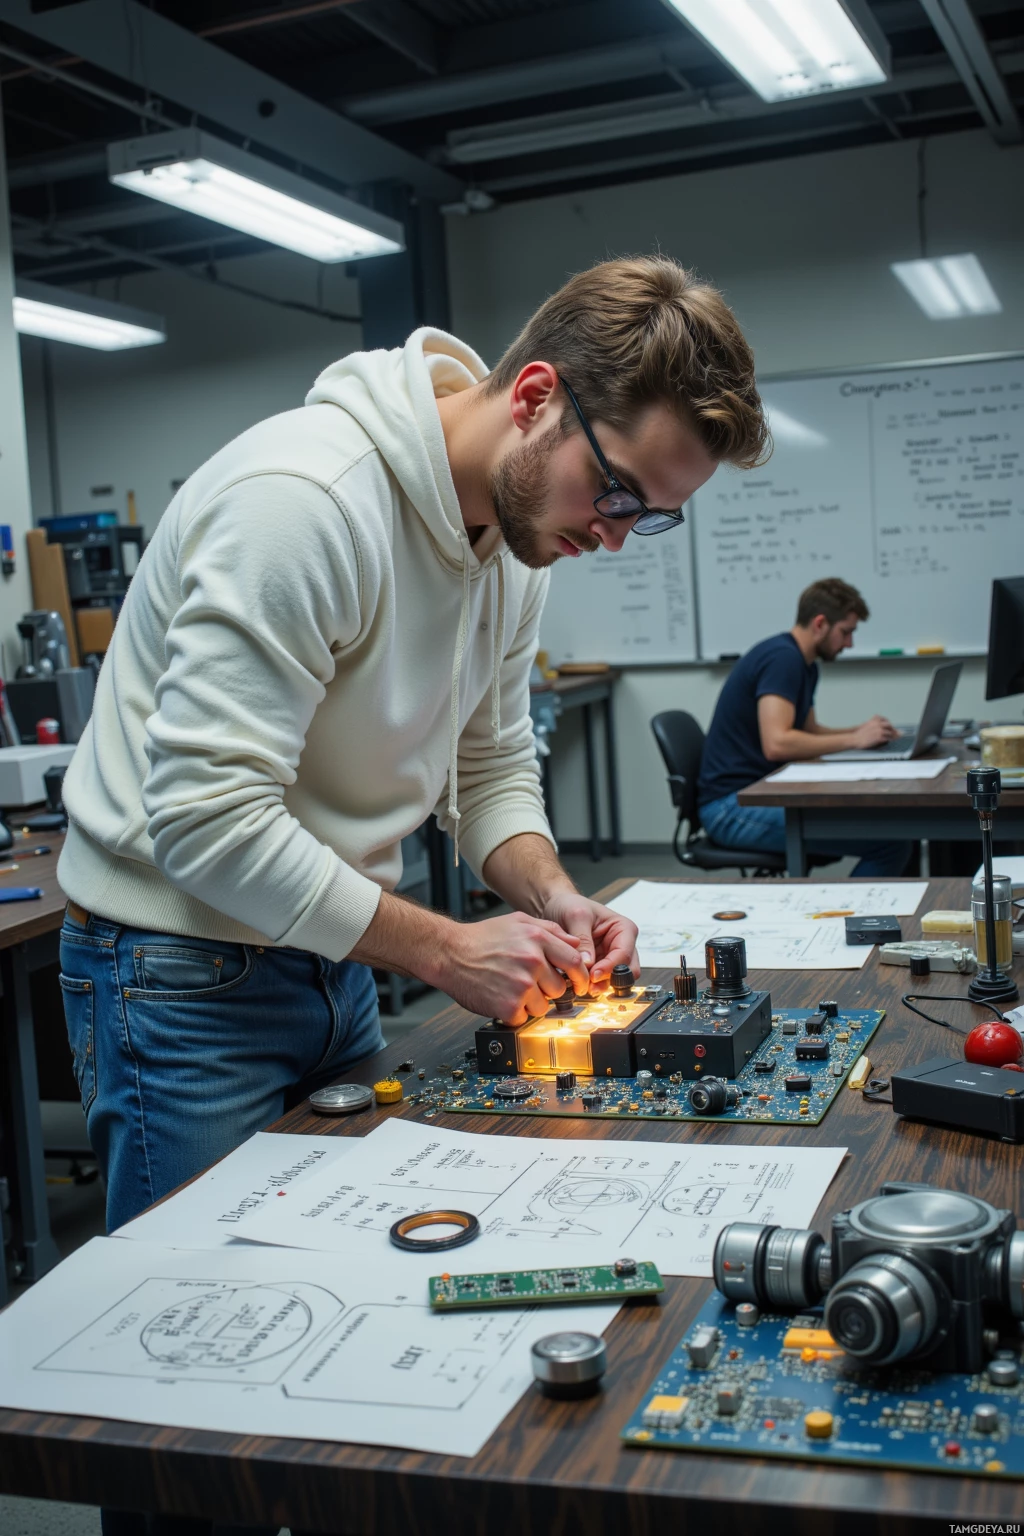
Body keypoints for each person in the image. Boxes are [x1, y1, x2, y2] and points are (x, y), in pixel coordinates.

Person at [57, 256, 773, 1240]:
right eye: (614, 494)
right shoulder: (304, 503)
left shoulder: (519, 546)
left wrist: (551, 892)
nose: (614, 538)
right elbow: (204, 821)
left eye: (648, 517)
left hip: (333, 949)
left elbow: (488, 771)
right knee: (198, 1302)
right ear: (533, 398)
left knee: (332, 1261)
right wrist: (442, 947)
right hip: (181, 970)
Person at [697, 577, 912, 876]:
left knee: (889, 830)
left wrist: (863, 732)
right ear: (820, 623)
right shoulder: (783, 660)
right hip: (731, 809)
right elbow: (778, 744)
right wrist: (853, 740)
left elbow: (808, 731)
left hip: (756, 795)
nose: (849, 643)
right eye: (846, 632)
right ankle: (857, 923)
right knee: (891, 841)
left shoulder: (804, 663)